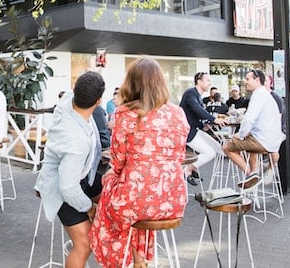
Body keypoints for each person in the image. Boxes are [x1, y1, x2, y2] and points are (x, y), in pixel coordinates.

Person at [90, 58, 189, 268]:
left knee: (114, 192)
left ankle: (122, 260)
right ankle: (139, 260)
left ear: (131, 83)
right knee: (135, 196)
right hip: (173, 199)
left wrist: (113, 176)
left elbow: (117, 162)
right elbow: (180, 155)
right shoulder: (178, 113)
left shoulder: (125, 114)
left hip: (138, 200)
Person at [34, 71, 105, 268]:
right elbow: (68, 188)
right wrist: (89, 208)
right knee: (85, 244)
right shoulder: (77, 143)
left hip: (83, 175)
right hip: (60, 186)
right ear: (98, 101)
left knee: (115, 198)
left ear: (74, 91)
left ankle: (111, 246)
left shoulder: (67, 101)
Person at [222, 69, 285, 189]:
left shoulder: (258, 94)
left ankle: (251, 174)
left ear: (257, 80)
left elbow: (248, 119)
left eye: (248, 79)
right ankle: (254, 172)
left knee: (226, 148)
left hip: (263, 141)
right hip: (272, 141)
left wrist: (240, 135)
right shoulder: (265, 94)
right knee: (250, 147)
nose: (245, 82)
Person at [180, 72, 227, 185]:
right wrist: (214, 120)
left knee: (217, 147)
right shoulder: (191, 93)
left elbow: (195, 115)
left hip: (195, 129)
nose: (209, 83)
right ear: (199, 82)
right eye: (207, 80)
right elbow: (197, 109)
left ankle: (193, 169)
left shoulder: (199, 96)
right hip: (187, 131)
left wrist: (204, 126)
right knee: (210, 153)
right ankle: (187, 170)